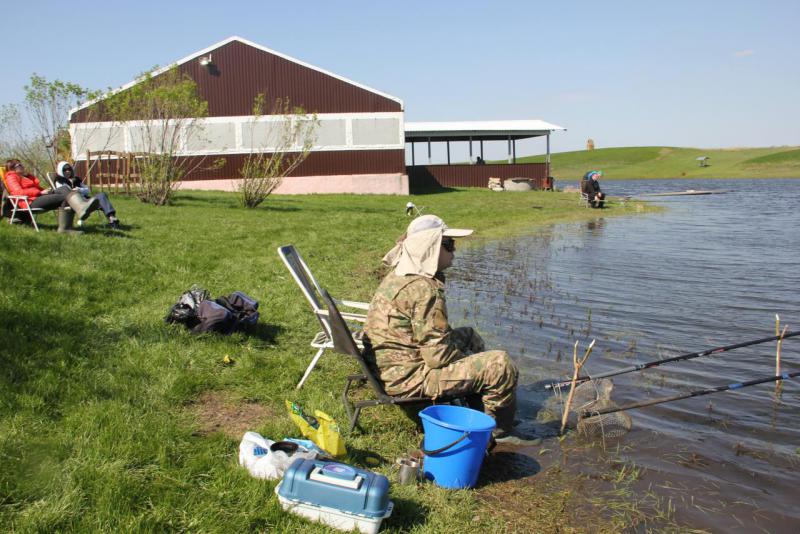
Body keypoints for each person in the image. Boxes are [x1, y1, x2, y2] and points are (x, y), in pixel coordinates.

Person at [363, 214, 521, 441]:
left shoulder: (403, 275)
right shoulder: (423, 289)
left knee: (469, 336)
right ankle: (499, 431)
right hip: (405, 378)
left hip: (391, 365)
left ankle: (479, 406)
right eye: (448, 245)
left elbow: (431, 342)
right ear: (430, 248)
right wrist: (466, 360)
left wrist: (464, 358)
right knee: (500, 365)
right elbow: (437, 357)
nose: (454, 250)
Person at [54, 161, 120, 228]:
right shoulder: (59, 181)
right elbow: (63, 192)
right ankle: (112, 222)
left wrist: (79, 189)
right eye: (64, 170)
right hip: (74, 203)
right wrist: (73, 191)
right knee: (99, 202)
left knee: (102, 195)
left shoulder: (76, 180)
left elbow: (87, 190)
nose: (67, 171)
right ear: (60, 171)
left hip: (85, 199)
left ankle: (111, 218)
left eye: (69, 169)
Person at [3, 159, 70, 215]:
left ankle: (69, 223)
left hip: (37, 198)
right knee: (65, 196)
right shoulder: (11, 177)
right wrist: (39, 192)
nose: (22, 166)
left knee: (64, 189)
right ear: (12, 168)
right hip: (30, 202)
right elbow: (18, 192)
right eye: (19, 165)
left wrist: (46, 191)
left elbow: (36, 188)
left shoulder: (25, 177)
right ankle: (78, 213)